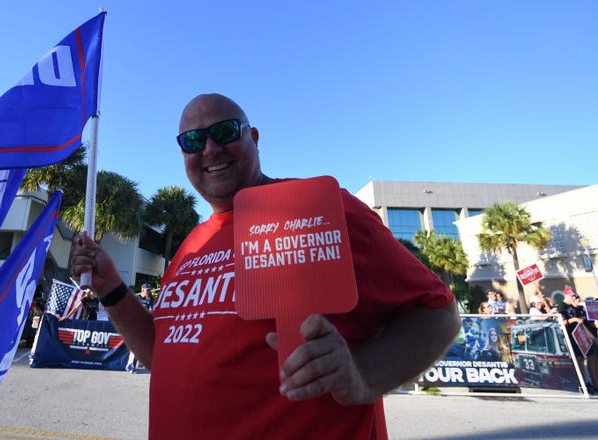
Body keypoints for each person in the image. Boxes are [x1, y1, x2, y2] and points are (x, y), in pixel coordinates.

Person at [70, 93, 460, 439]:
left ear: (253, 138)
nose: (209, 148)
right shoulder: (192, 243)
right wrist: (112, 290)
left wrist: (363, 376)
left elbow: (437, 311)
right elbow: (163, 357)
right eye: (192, 140)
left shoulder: (319, 210)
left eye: (224, 131)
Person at [557, 287, 598, 393]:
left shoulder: (573, 307)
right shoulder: (562, 306)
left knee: (582, 359)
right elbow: (562, 321)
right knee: (578, 360)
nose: (574, 298)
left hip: (580, 335)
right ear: (566, 296)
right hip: (571, 335)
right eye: (572, 296)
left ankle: (586, 382)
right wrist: (574, 319)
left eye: (574, 296)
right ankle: (582, 383)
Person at [126, 283, 154, 373]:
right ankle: (130, 365)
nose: (149, 292)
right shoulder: (136, 298)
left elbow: (151, 311)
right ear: (142, 290)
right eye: (147, 290)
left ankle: (137, 363)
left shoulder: (151, 299)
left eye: (150, 290)